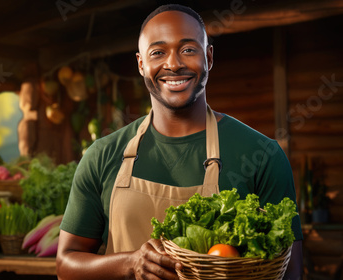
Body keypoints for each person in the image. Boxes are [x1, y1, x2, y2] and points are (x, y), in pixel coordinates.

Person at [56, 4, 303, 280]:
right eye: (158, 52)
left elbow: (290, 272)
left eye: (188, 49)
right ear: (141, 64)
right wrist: (130, 263)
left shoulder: (262, 155)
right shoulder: (102, 155)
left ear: (208, 58)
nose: (173, 64)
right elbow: (66, 265)